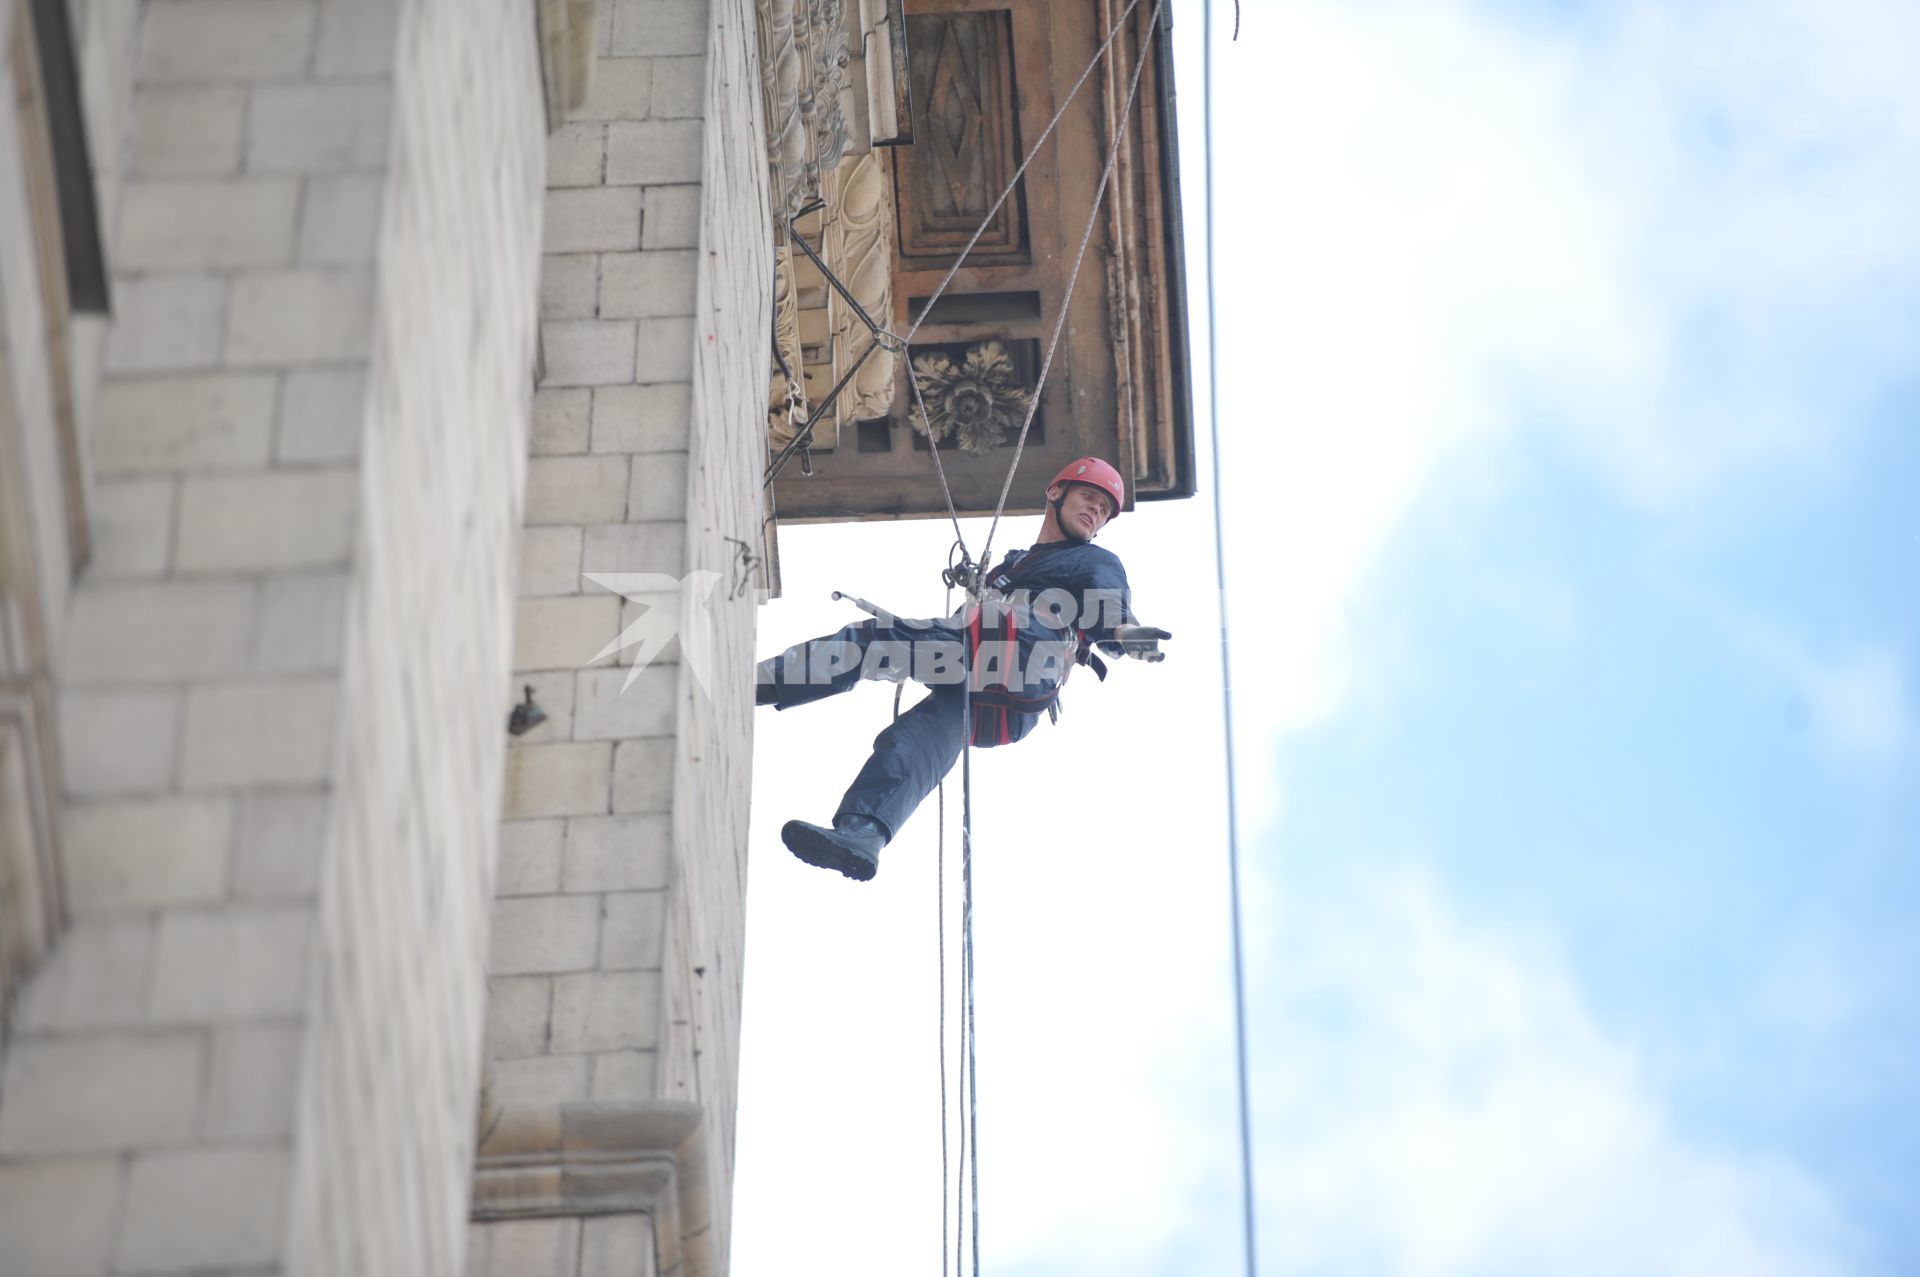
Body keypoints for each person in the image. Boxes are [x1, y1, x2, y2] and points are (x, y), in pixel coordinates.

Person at [756, 457, 1170, 881]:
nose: (1094, 511)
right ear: (1055, 493)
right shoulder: (1013, 565)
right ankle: (863, 835)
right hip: (1004, 695)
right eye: (1088, 497)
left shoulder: (1094, 562)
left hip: (1013, 656)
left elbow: (1109, 605)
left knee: (873, 642)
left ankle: (759, 684)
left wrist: (1125, 634)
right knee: (918, 739)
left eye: (1103, 509)